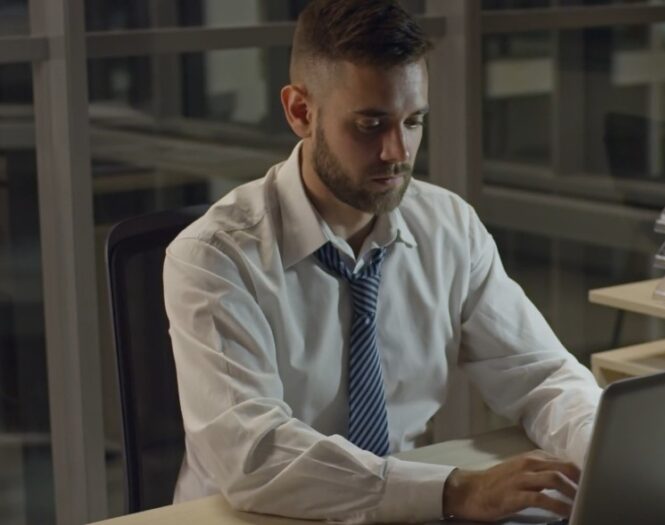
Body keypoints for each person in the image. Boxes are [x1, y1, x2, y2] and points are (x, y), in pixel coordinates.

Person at [163, 0, 602, 522]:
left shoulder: (448, 228)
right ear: (301, 112)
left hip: (403, 508)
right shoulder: (214, 258)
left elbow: (542, 376)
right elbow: (253, 454)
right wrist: (456, 492)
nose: (398, 152)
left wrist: (607, 448)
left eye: (413, 121)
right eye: (371, 125)